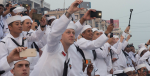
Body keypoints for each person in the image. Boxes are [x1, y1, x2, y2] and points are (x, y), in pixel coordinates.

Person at [30, 0, 93, 76]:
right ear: (60, 36)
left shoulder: (68, 56)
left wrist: (83, 19)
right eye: (68, 32)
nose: (72, 35)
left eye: (73, 33)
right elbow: (55, 33)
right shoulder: (53, 46)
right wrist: (69, 12)